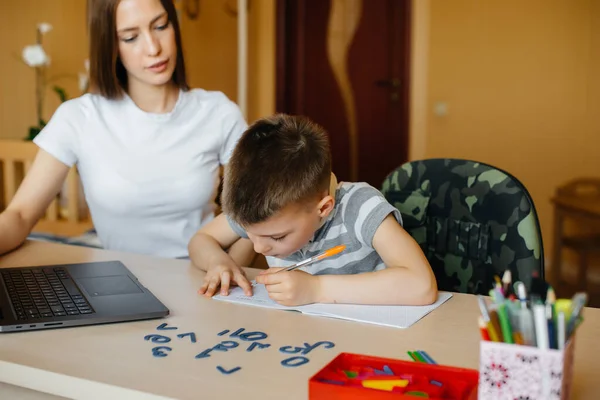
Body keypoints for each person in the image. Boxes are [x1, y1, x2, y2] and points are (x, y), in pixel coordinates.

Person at [0, 0, 254, 260]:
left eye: (160, 26)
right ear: (109, 45)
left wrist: (227, 275)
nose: (154, 48)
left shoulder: (218, 112)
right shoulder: (79, 117)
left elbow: (257, 211)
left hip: (201, 276)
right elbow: (20, 215)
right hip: (117, 279)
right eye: (131, 37)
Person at [189, 114, 438, 306]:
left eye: (277, 237)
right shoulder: (258, 209)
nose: (258, 248)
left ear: (324, 208)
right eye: (247, 232)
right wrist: (218, 261)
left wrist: (316, 289)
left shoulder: (359, 207)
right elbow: (201, 239)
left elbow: (421, 285)